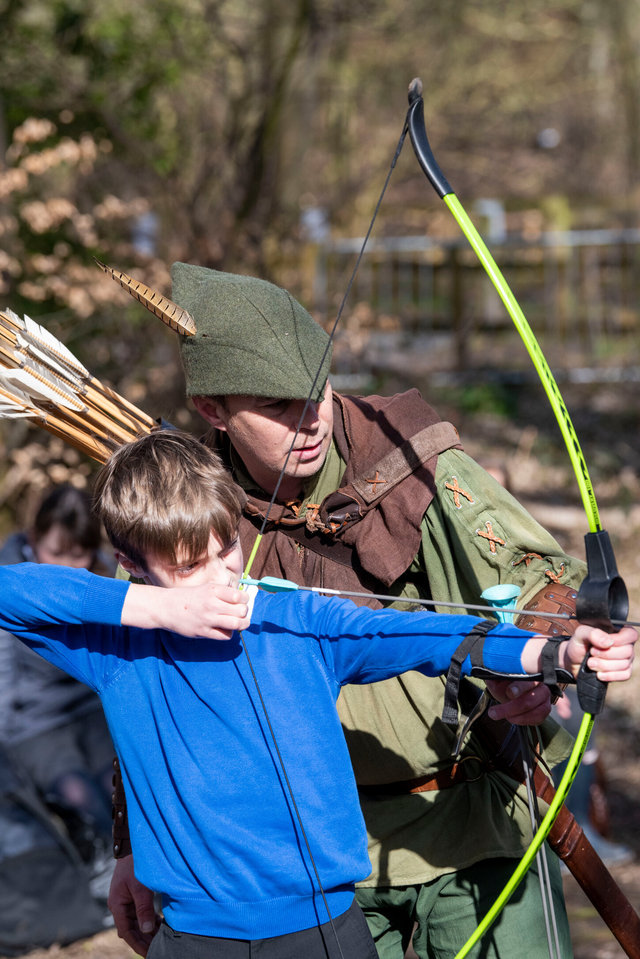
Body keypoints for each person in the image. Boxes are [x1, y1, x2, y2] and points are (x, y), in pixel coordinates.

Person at [107, 264, 594, 958]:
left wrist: (544, 658)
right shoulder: (189, 508)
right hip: (313, 863)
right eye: (276, 406)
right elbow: (143, 687)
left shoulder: (408, 454)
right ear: (214, 409)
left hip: (468, 816)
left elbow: (535, 574)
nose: (311, 420)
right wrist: (131, 846)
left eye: (318, 391)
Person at [0, 429, 635, 959]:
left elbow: (422, 632)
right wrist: (158, 608)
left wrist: (553, 650)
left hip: (325, 932)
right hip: (192, 937)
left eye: (227, 549)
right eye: (190, 566)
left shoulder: (292, 620)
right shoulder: (119, 647)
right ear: (133, 566)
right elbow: (13, 592)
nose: (222, 575)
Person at [0, 484, 116, 882]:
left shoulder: (107, 574)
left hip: (90, 708)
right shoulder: (9, 583)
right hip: (32, 721)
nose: (67, 568)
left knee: (117, 786)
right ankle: (98, 877)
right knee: (78, 794)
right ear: (32, 541)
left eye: (78, 555)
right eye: (56, 554)